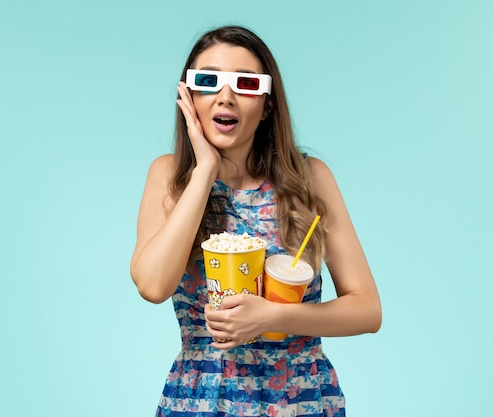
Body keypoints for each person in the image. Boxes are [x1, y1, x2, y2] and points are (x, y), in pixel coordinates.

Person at [130, 25, 381, 417]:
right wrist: (204, 171)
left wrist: (275, 316)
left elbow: (367, 310)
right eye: (209, 81)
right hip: (202, 398)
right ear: (189, 96)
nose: (225, 96)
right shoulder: (170, 177)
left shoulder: (309, 178)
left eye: (245, 83)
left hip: (298, 397)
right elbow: (152, 284)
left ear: (266, 104)